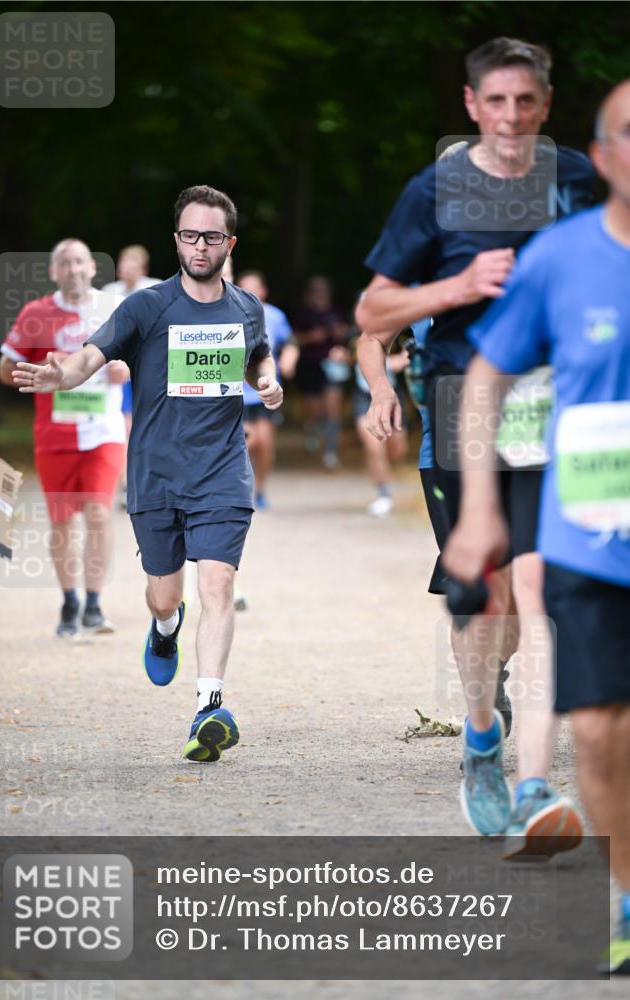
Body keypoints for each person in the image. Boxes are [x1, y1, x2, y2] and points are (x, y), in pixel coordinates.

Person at [356, 37, 595, 843]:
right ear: (470, 105)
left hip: (553, 414)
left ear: (545, 105)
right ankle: (481, 737)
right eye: (495, 101)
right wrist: (457, 286)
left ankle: (532, 786)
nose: (510, 117)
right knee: (486, 595)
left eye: (525, 102)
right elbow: (371, 313)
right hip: (466, 412)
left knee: (541, 593)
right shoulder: (434, 192)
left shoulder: (575, 181)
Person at [442, 79, 630, 975]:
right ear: (600, 158)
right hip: (585, 522)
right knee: (596, 728)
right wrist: (478, 504)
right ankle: (622, 887)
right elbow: (481, 374)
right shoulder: (560, 257)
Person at [12, 185, 282, 763]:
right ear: (177, 240)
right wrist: (61, 376)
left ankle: (209, 707)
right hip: (157, 475)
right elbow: (92, 355)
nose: (199, 245)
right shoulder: (147, 307)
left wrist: (266, 377)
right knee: (166, 593)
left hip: (222, 471)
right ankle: (165, 627)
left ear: (229, 242)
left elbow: (259, 351)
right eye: (189, 234)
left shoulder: (245, 307)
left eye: (211, 236)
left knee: (218, 584)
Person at [0, 238, 129, 638]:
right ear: (55, 272)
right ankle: (69, 601)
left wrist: (126, 370)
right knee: (62, 525)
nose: (73, 270)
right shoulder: (37, 313)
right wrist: (40, 372)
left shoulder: (111, 310)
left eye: (80, 262)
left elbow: (140, 359)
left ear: (93, 268)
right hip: (54, 436)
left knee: (98, 514)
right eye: (65, 264)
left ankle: (93, 604)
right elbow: (5, 369)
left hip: (103, 431)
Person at [103, 245, 161, 507]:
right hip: (119, 372)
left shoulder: (157, 290)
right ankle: (129, 486)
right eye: (124, 263)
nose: (128, 269)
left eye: (134, 264)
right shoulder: (108, 293)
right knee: (125, 428)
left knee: (150, 427)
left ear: (144, 269)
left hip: (150, 370)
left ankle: (150, 482)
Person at [237, 270, 294, 509]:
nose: (250, 292)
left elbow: (290, 343)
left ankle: (260, 490)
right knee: (250, 441)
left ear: (263, 291)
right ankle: (237, 487)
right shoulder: (229, 312)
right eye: (244, 287)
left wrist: (290, 359)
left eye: (254, 287)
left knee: (265, 444)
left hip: (264, 390)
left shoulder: (274, 316)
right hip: (237, 392)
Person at [292, 276, 351, 470]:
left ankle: (330, 453)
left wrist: (342, 334)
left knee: (333, 411)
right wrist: (310, 337)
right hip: (310, 367)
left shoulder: (336, 312)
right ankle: (311, 431)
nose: (320, 294)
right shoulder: (303, 314)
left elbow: (350, 335)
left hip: (333, 367)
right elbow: (292, 339)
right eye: (316, 290)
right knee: (315, 411)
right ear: (309, 293)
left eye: (323, 290)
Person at [350, 333, 409, 516]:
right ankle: (383, 493)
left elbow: (405, 359)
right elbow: (346, 357)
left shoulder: (398, 333)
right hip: (364, 396)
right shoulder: (351, 336)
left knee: (397, 450)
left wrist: (398, 361)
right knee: (373, 446)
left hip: (392, 396)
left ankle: (385, 475)